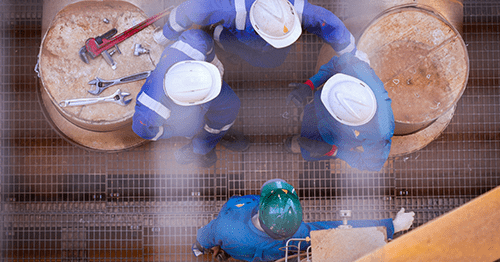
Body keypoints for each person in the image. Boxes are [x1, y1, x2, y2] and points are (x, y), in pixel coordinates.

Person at [192, 179, 415, 262]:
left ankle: (223, 255)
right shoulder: (299, 234)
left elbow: (205, 235)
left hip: (237, 247)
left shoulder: (227, 222)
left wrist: (199, 246)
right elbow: (338, 231)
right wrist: (393, 226)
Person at [158, 0, 369, 68]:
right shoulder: (230, 9)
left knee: (271, 61)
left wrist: (352, 53)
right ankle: (217, 36)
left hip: (266, 43)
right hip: (234, 35)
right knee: (228, 42)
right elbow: (186, 10)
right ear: (258, 28)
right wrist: (165, 36)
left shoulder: (300, 11)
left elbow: (331, 24)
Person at [132, 29, 248, 168]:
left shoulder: (194, 44)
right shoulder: (150, 110)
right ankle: (196, 147)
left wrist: (213, 63)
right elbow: (143, 130)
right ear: (186, 102)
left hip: (208, 84)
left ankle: (206, 143)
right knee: (191, 128)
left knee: (230, 105)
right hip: (184, 118)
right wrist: (173, 131)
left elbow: (203, 38)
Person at [285, 50, 395, 171]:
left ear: (344, 120)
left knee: (308, 153)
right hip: (319, 106)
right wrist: (310, 84)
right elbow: (335, 64)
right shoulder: (356, 68)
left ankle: (306, 148)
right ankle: (306, 122)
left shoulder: (379, 134)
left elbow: (370, 165)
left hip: (335, 137)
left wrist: (333, 151)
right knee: (309, 114)